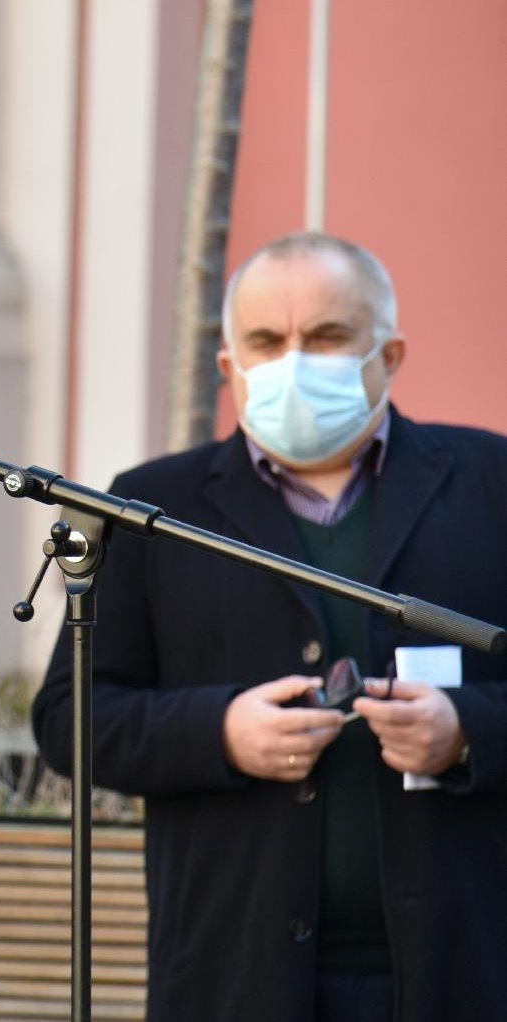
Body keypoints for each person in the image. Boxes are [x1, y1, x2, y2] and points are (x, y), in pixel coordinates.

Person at [31, 232, 507, 1022]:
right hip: (233, 971)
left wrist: (468, 732)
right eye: (266, 341)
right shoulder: (153, 507)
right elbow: (68, 717)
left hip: (464, 967)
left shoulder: (492, 487)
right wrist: (219, 733)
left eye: (325, 337)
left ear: (388, 356)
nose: (294, 360)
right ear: (231, 369)